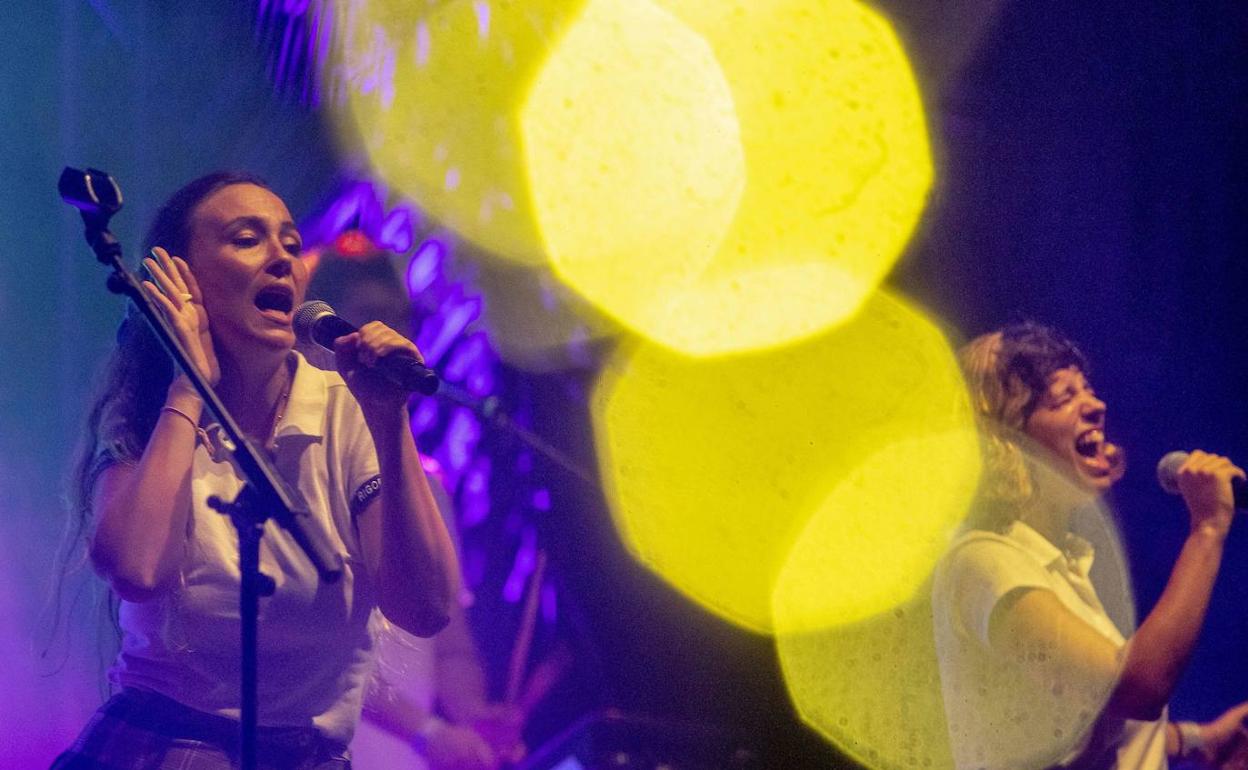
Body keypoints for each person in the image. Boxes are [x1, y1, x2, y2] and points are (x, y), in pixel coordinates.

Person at [52, 171, 459, 769]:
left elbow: (426, 608)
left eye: (291, 244)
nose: (282, 259)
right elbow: (137, 569)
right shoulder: (145, 411)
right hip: (163, 748)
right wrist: (189, 386)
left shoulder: (345, 408)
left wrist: (389, 417)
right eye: (247, 239)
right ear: (182, 280)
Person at [933, 322, 1248, 770]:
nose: (1097, 406)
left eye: (1088, 391)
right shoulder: (983, 560)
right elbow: (1136, 687)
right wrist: (1207, 529)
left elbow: (1088, 732)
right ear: (1007, 438)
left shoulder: (1060, 564)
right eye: (1063, 398)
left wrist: (1199, 740)